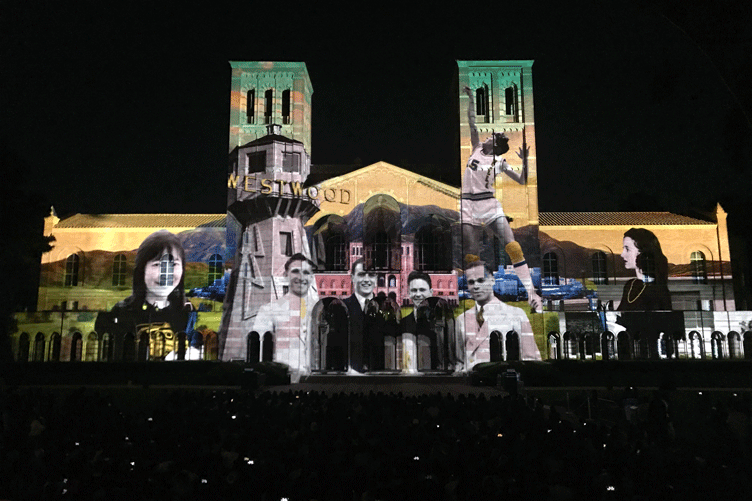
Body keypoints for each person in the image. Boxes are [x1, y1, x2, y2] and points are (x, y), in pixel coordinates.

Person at [461, 85, 541, 312]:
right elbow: (471, 121)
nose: (487, 136)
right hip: (468, 204)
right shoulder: (476, 147)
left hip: (489, 204)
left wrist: (525, 160)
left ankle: (531, 293)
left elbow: (523, 180)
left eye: (492, 137)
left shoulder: (500, 163)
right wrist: (470, 99)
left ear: (495, 144)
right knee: (471, 255)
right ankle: (480, 304)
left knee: (513, 247)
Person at [95, 230, 193, 359]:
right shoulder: (122, 311)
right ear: (142, 269)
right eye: (158, 264)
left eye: (173, 264)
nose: (166, 274)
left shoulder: (187, 311)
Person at [459, 260, 541, 369]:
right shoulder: (461, 319)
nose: (476, 286)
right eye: (471, 282)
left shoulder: (516, 315)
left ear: (493, 280)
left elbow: (531, 358)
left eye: (481, 280)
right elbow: (457, 362)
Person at [252, 253, 319, 376]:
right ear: (285, 275)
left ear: (311, 277)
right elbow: (259, 352)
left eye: (306, 272)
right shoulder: (268, 311)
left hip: (316, 381)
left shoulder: (322, 310)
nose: (301, 277)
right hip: (282, 379)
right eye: (295, 271)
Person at [399, 271, 457, 371]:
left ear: (430, 292)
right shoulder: (403, 323)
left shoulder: (445, 322)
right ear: (408, 293)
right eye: (414, 290)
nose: (418, 294)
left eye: (422, 290)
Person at [617, 228, 672, 311]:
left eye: (627, 249)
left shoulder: (657, 290)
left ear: (642, 252)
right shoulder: (630, 285)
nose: (622, 254)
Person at [343, 258, 377, 373]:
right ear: (352, 278)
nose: (367, 280)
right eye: (362, 274)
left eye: (371, 275)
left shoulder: (388, 308)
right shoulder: (342, 308)